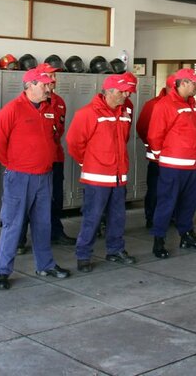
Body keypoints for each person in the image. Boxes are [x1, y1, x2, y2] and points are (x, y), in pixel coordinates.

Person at [0, 67, 70, 290]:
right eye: (44, 85)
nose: (48, 88)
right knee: (13, 225)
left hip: (44, 176)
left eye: (48, 84)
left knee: (42, 224)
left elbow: (53, 138)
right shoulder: (12, 110)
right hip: (19, 176)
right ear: (30, 85)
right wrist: (15, 164)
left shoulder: (48, 108)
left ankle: (45, 264)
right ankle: (2, 271)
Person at [67, 73, 137, 272]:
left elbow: (123, 140)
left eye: (127, 91)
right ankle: (83, 255)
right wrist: (88, 162)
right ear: (109, 91)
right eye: (121, 91)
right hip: (96, 178)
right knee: (93, 217)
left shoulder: (124, 112)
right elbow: (74, 143)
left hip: (118, 176)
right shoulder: (87, 113)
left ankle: (115, 250)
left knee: (117, 217)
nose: (125, 94)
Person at [148, 68, 196, 259]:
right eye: (193, 82)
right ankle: (159, 240)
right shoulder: (165, 105)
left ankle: (187, 235)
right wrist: (162, 157)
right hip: (172, 167)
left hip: (191, 166)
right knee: (166, 204)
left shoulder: (195, 106)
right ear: (183, 83)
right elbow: (154, 135)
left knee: (189, 204)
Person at [16, 61, 76, 254]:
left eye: (55, 76)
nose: (54, 79)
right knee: (27, 201)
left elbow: (58, 132)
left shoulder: (58, 102)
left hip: (54, 158)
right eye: (50, 76)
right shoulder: (28, 102)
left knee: (55, 198)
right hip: (32, 162)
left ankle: (55, 232)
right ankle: (19, 239)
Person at [136, 74, 175, 228]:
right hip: (156, 159)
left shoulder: (184, 105)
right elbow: (142, 128)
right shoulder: (153, 104)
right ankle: (151, 218)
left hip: (174, 159)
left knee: (171, 191)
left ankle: (169, 216)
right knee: (155, 190)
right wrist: (154, 146)